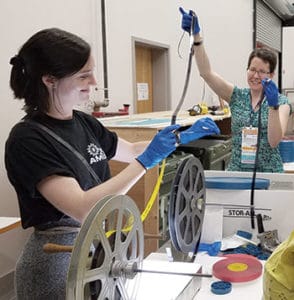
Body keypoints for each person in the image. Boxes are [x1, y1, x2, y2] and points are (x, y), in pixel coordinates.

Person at [5, 28, 220, 299]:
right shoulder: (28, 139)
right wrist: (145, 162)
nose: (94, 81)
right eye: (84, 75)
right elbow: (83, 207)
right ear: (49, 79)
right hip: (56, 262)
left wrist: (180, 138)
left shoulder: (84, 122)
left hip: (97, 252)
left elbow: (130, 150)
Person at [179, 8, 290, 173]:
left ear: (271, 75)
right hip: (238, 171)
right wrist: (197, 37)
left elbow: (274, 141)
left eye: (261, 71)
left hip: (269, 173)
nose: (255, 75)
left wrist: (273, 108)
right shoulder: (237, 96)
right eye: (252, 69)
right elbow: (206, 73)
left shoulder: (281, 103)